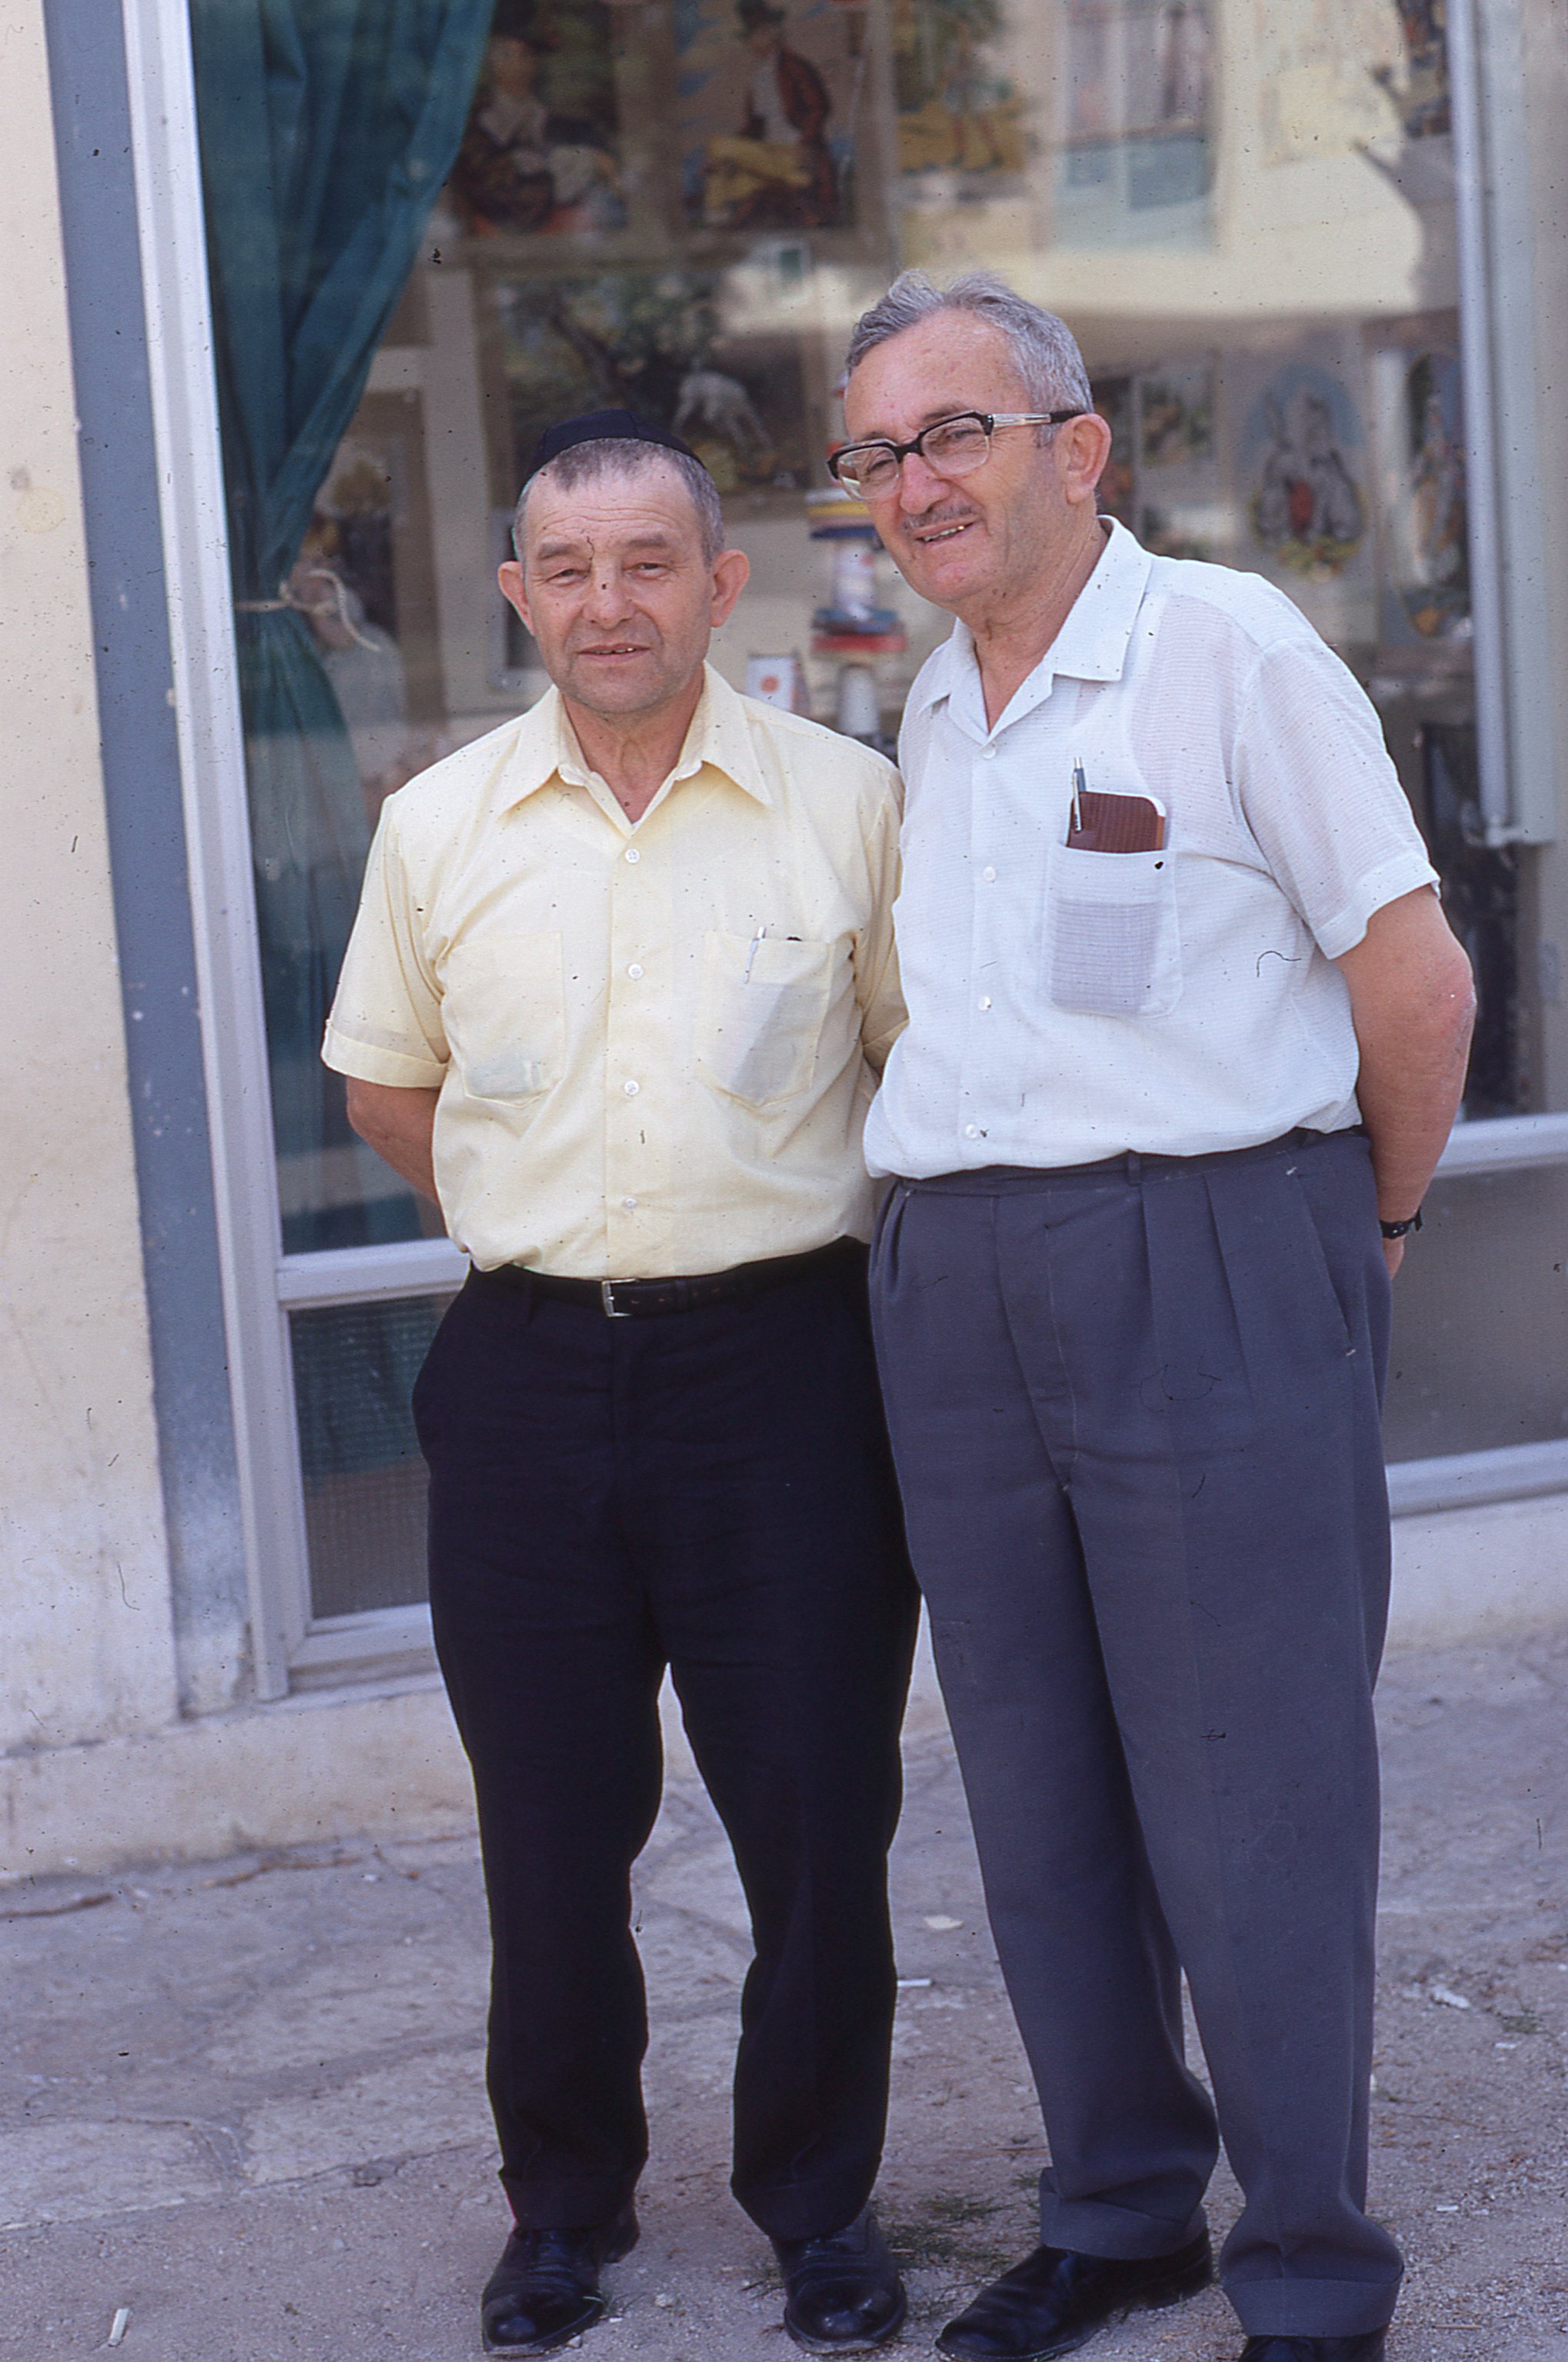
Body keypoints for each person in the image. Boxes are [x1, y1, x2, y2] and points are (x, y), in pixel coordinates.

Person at [832, 272, 1476, 2362]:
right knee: (1035, 1785)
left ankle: (1308, 2266)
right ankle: (1121, 2205)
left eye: (954, 434)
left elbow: (1416, 981)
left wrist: (1362, 1226)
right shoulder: (929, 702)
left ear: (1075, 446)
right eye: (876, 454)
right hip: (962, 1283)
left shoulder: (1223, 647)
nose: (913, 484)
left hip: (1204, 1246)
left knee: (1254, 1791)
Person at [321, 409, 917, 2357]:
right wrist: (557, 1221)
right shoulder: (440, 827)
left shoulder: (850, 804)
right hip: (524, 1383)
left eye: (648, 561)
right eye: (566, 569)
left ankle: (818, 2209)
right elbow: (389, 1091)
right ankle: (563, 2207)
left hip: (791, 1377)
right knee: (551, 1835)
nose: (608, 602)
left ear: (719, 584)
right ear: (517, 596)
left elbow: (911, 1076)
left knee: (819, 1822)